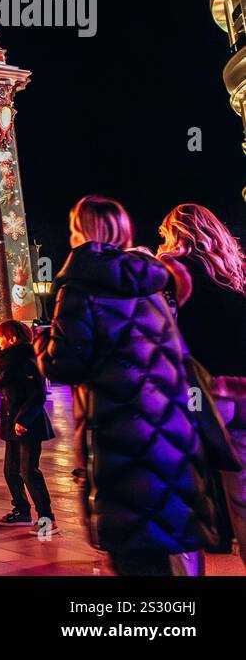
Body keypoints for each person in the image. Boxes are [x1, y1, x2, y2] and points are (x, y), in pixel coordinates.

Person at [36, 195, 222, 575]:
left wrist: (38, 344)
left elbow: (65, 365)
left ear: (80, 231)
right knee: (165, 538)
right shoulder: (152, 283)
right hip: (170, 431)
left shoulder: (81, 287)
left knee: (132, 550)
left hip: (119, 433)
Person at [157, 202, 246, 567]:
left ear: (175, 233)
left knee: (182, 494)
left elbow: (159, 333)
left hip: (201, 395)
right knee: (242, 497)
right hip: (243, 395)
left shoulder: (171, 269)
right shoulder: (237, 274)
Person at [0, 319, 54, 530]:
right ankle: (21, 511)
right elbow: (0, 384)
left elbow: (38, 395)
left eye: (1, 336)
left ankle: (47, 518)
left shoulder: (27, 359)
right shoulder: (5, 359)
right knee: (11, 471)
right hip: (11, 422)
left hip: (28, 424)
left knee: (29, 471)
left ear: (12, 338)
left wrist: (23, 419)